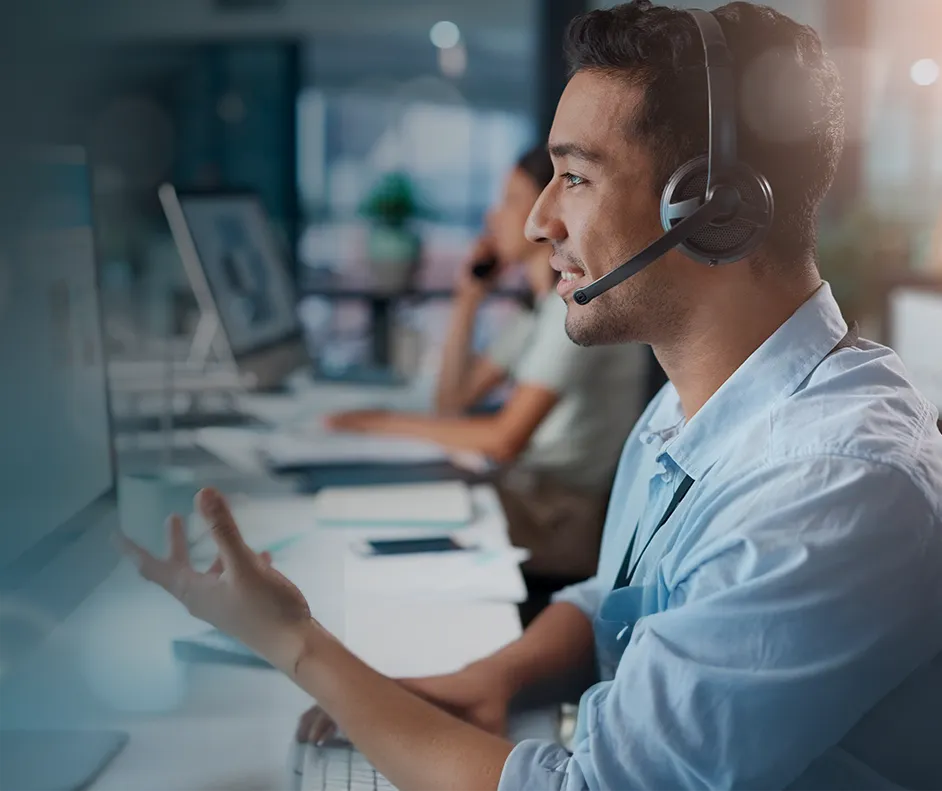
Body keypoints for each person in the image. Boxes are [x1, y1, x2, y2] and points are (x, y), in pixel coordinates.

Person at [122, 3, 942, 790]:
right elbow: (618, 603)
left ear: (713, 210)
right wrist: (492, 677)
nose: (536, 223)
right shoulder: (696, 405)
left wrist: (297, 644)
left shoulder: (834, 485)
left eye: (575, 177)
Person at [327, 145, 643, 589]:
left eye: (512, 201)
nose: (496, 218)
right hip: (529, 498)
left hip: (558, 518)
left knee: (378, 521)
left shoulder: (574, 314)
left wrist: (380, 423)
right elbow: (452, 402)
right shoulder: (537, 310)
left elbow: (503, 440)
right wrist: (469, 298)